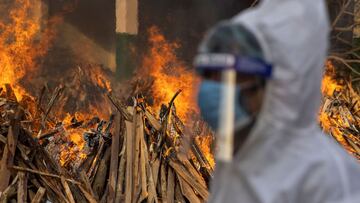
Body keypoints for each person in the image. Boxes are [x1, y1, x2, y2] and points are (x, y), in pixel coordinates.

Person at [194, 0, 360, 202]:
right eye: (218, 78)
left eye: (242, 79)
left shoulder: (329, 180)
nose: (223, 91)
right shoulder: (237, 163)